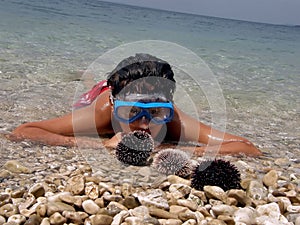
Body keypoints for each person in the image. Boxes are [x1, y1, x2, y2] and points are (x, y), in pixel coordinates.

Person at [9, 53, 262, 156]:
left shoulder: (171, 120)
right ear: (113, 104)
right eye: (130, 112)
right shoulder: (103, 112)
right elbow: (24, 131)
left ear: (168, 106)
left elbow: (247, 147)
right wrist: (98, 144)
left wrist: (173, 150)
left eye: (155, 113)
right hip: (100, 94)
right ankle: (87, 77)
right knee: (89, 88)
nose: (143, 124)